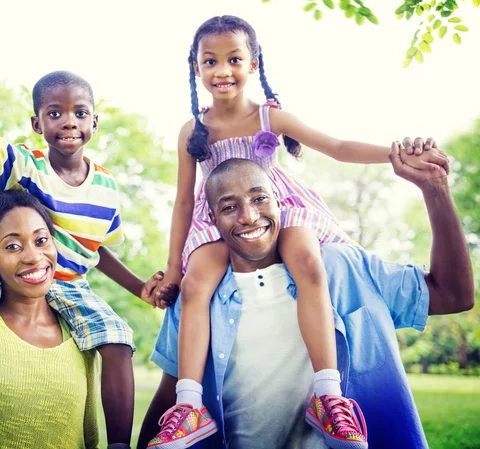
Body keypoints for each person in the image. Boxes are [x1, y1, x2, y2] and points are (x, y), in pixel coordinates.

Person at [147, 14, 450, 449]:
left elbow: (339, 148)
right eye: (210, 61)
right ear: (196, 68)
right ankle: (189, 404)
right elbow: (181, 200)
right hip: (220, 217)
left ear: (253, 65)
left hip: (277, 207)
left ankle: (328, 395)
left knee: (309, 262)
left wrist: (396, 155)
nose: (222, 70)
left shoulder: (270, 116)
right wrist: (173, 267)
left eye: (234, 59)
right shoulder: (192, 130)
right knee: (197, 286)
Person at [0, 61, 174, 449]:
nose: (68, 121)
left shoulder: (107, 187)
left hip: (70, 284)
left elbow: (98, 249)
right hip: (7, 272)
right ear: (37, 123)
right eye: (55, 113)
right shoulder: (29, 165)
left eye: (80, 113)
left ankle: (118, 444)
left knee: (118, 339)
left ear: (94, 123)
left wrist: (140, 288)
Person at [140, 154, 474, 449]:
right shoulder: (197, 292)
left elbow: (453, 294)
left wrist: (435, 189)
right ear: (212, 219)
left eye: (260, 200)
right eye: (230, 207)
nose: (249, 217)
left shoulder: (344, 268)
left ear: (279, 203)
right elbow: (170, 394)